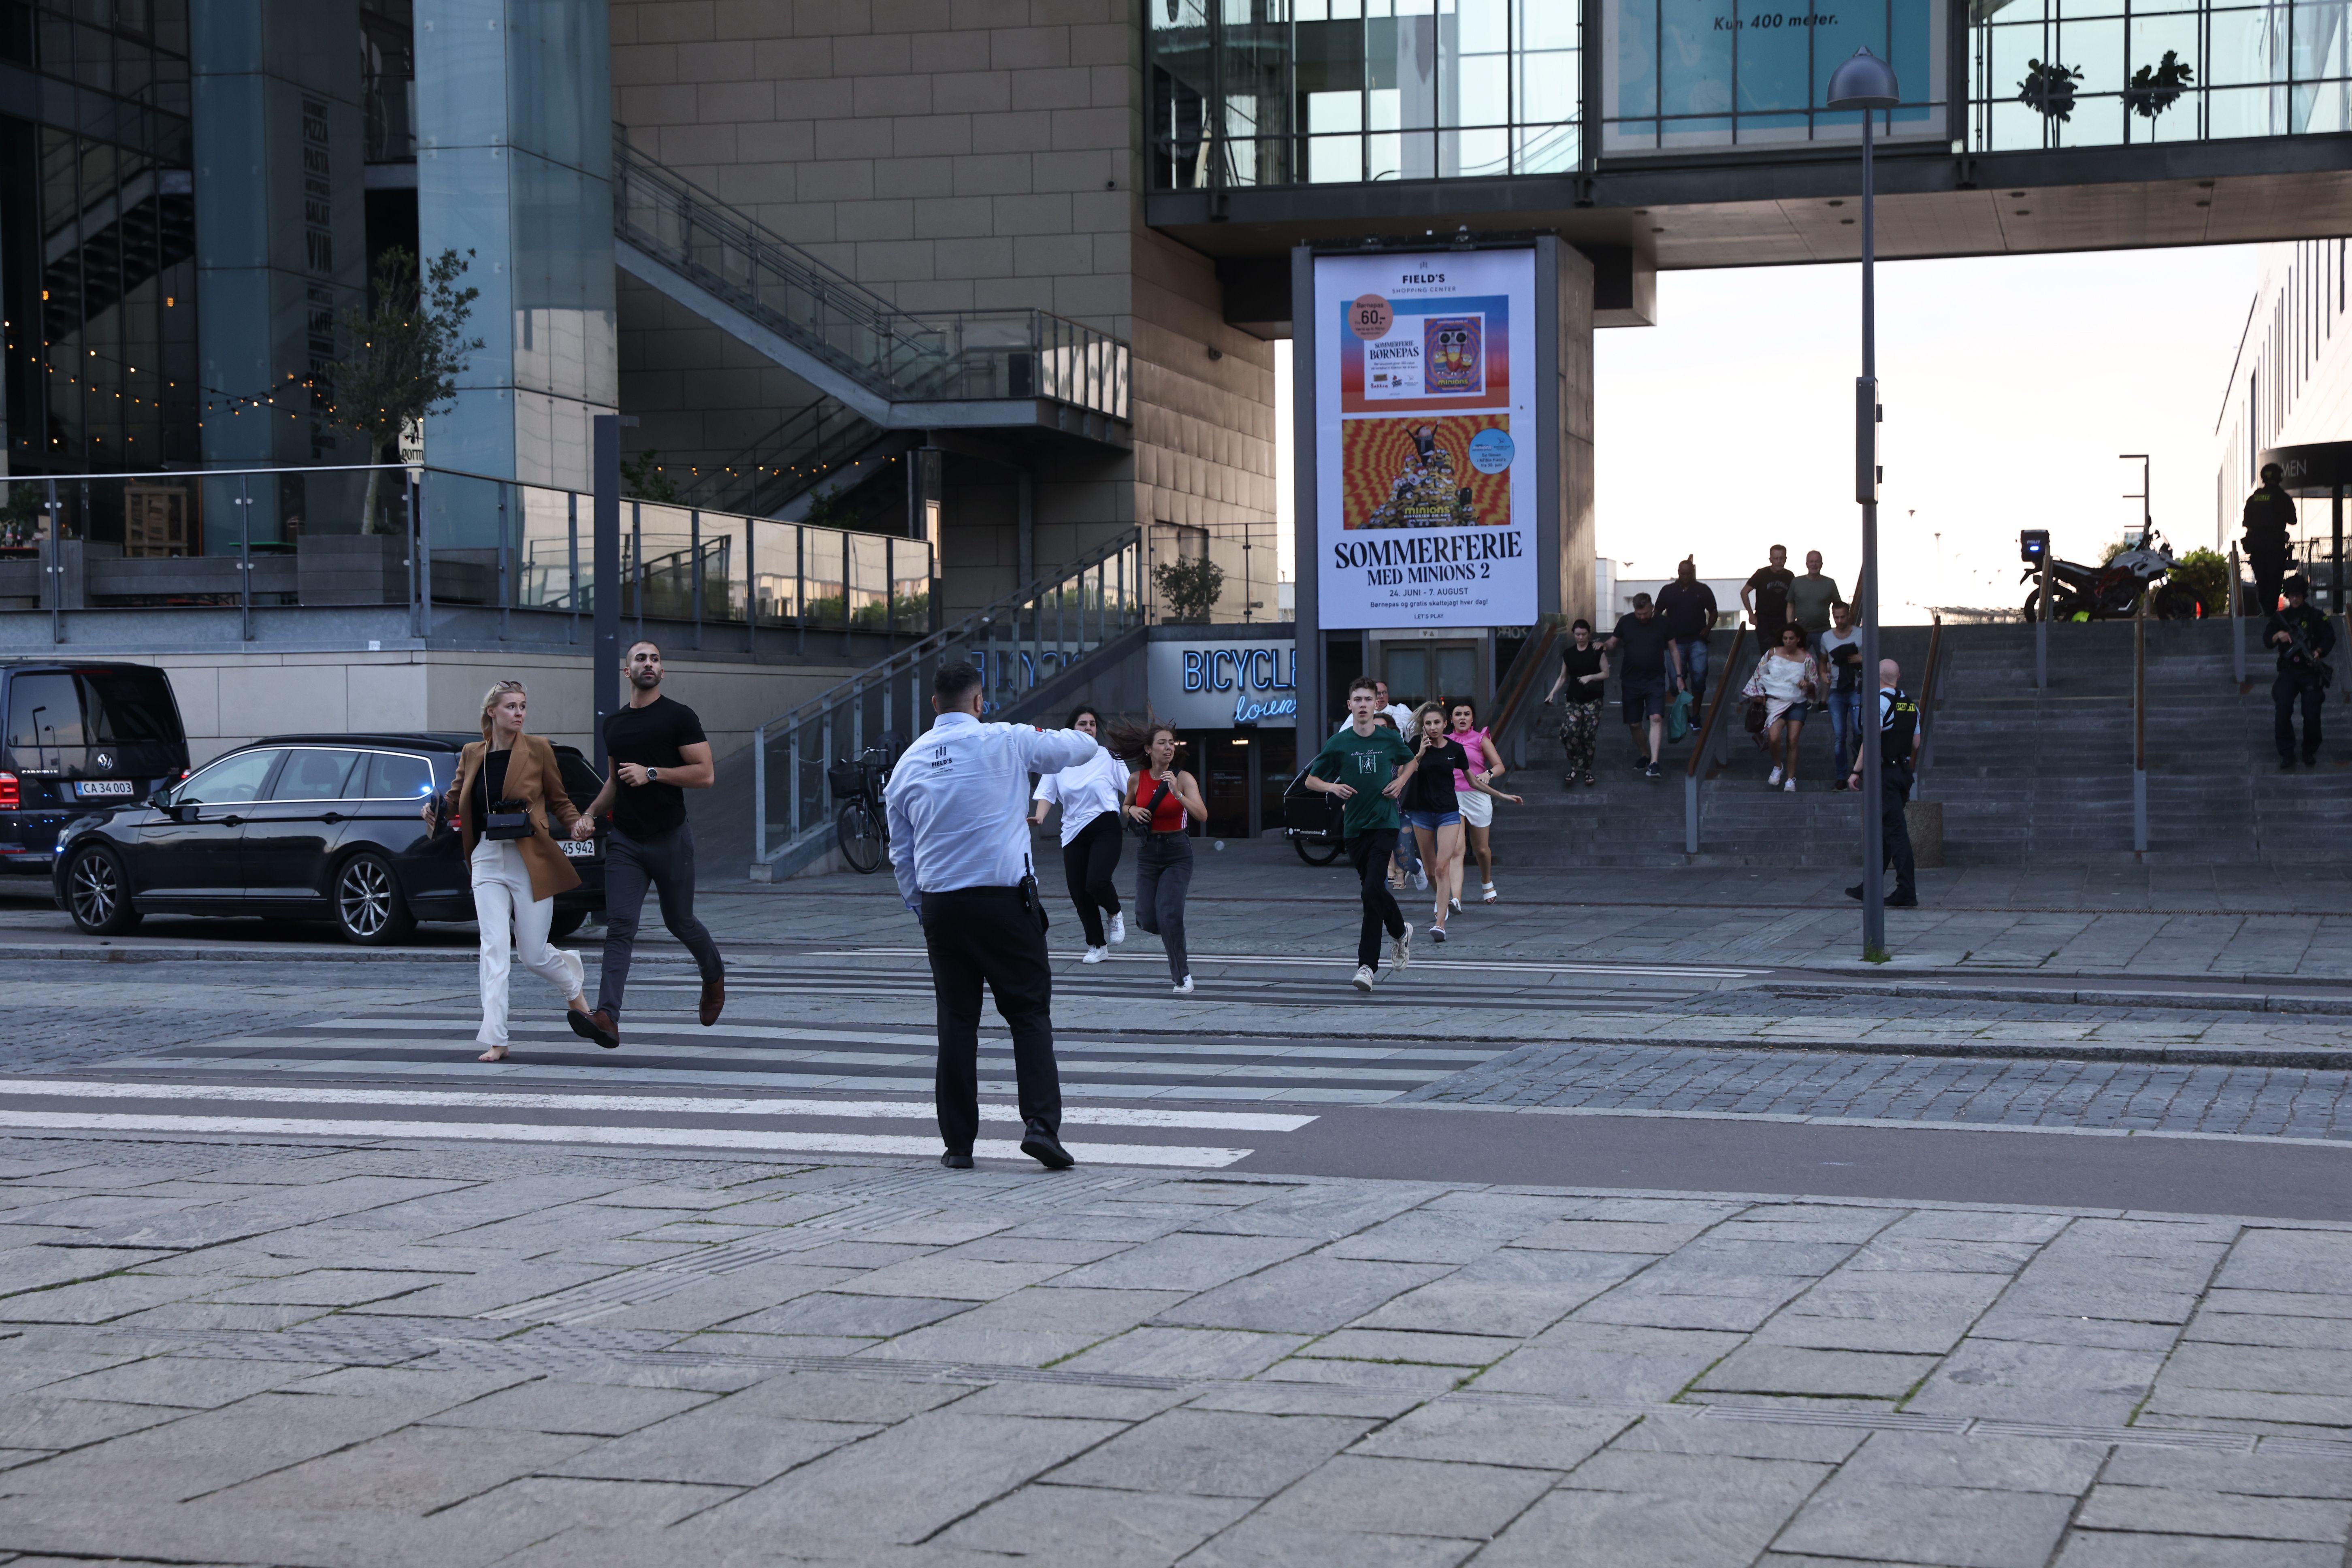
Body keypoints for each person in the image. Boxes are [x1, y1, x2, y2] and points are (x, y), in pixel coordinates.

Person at [885, 660, 1098, 1170]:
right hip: (1005, 902)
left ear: (935, 704)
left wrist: (921, 906)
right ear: (980, 702)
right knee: (1028, 1013)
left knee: (957, 1023)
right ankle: (1041, 1125)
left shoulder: (908, 763)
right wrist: (1062, 735)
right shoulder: (1007, 738)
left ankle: (958, 1144)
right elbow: (1080, 748)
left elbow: (901, 854)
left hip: (943, 906)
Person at [428, 681, 602, 1062]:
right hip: (487, 857)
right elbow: (455, 800)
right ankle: (498, 1039)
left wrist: (576, 824)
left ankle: (573, 987)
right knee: (493, 949)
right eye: (511, 707)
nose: (519, 713)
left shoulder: (539, 749)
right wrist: (435, 809)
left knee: (533, 955)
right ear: (492, 712)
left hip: (531, 857)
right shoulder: (472, 753)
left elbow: (559, 799)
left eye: (523, 706)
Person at [571, 640, 724, 1043]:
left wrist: (652, 772)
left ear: (662, 671)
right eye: (641, 659)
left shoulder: (679, 717)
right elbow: (614, 781)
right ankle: (607, 1016)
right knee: (620, 926)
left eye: (655, 659)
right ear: (628, 671)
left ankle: (713, 975)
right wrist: (589, 814)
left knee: (680, 922)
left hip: (670, 837)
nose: (649, 664)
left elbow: (705, 774)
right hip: (626, 840)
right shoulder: (614, 724)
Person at [1305, 675, 1421, 992]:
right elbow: (1311, 781)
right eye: (1357, 700)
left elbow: (1411, 762)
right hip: (1354, 828)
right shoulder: (1339, 743)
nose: (1363, 705)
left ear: (1376, 704)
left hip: (1385, 823)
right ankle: (1400, 932)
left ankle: (1367, 967)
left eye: (1368, 699)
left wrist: (1400, 782)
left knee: (1372, 889)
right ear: (1350, 705)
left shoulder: (1388, 738)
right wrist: (1332, 787)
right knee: (1372, 893)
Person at [1402, 703, 1520, 942]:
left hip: (1448, 812)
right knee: (1430, 871)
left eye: (1437, 723)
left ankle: (1440, 923)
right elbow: (1403, 774)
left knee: (1442, 867)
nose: (1433, 727)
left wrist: (1502, 795)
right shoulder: (1416, 745)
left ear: (1445, 724)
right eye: (1428, 723)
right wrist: (1419, 754)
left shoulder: (1455, 749)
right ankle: (1444, 900)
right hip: (1422, 813)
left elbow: (1473, 781)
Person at [1114, 720, 1208, 995]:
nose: (1169, 748)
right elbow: (1126, 805)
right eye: (1162, 743)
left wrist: (1177, 794)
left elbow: (1202, 815)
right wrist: (1131, 811)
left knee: (1169, 914)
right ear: (1149, 749)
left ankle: (1183, 977)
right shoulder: (1137, 778)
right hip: (1147, 852)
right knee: (1147, 918)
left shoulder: (1183, 778)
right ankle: (1170, 926)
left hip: (1177, 852)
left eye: (1171, 743)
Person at [1030, 705, 1129, 962]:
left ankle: (1114, 912)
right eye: (1083, 724)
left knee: (1096, 882)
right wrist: (1040, 817)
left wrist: (1137, 809)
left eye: (1092, 724)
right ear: (1071, 729)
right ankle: (1098, 945)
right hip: (1073, 832)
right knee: (1079, 892)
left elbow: (1130, 789)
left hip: (1105, 826)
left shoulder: (1109, 756)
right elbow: (1047, 794)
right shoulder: (1058, 761)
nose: (1088, 728)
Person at [1847, 658, 1922, 908]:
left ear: (1876, 677)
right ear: (1898, 677)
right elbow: (1916, 743)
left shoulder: (1878, 703)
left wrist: (1856, 771)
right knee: (1886, 832)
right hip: (1902, 773)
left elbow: (1871, 740)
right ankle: (1870, 887)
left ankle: (1907, 891)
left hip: (1885, 774)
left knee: (1896, 833)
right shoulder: (1910, 704)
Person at [1604, 592, 1683, 780]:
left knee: (1656, 717)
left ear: (1652, 608)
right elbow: (1613, 642)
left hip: (1655, 679)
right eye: (1638, 614)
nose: (1642, 617)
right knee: (1634, 723)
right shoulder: (1625, 622)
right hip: (1631, 680)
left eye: (1645, 614)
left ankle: (1654, 763)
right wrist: (1603, 646)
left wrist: (1679, 676)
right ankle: (1645, 754)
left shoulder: (1664, 623)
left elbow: (1674, 650)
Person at [2266, 573, 2335, 769]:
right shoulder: (2281, 618)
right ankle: (2287, 753)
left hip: (2310, 671)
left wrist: (2319, 651)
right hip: (2289, 671)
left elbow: (2329, 637)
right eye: (2292, 595)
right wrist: (2278, 636)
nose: (2295, 598)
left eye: (2298, 595)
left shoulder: (2316, 616)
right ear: (2287, 596)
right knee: (2283, 711)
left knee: (2312, 714)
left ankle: (2309, 751)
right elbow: (2267, 639)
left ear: (2304, 595)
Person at [1445, 699, 1510, 905]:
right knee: (1457, 850)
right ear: (1451, 719)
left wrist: (1488, 774)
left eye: (1467, 714)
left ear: (1473, 718)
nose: (1462, 718)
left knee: (1481, 850)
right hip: (1452, 797)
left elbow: (1500, 766)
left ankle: (1486, 879)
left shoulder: (1481, 738)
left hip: (1477, 795)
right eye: (1458, 714)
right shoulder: (1444, 740)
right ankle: (1456, 898)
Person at [1745, 623, 1818, 792]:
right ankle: (1778, 766)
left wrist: (1807, 684)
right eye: (1785, 638)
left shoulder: (1807, 658)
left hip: (1797, 703)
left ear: (1798, 639)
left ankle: (1791, 779)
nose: (1788, 641)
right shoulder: (1772, 653)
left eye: (1791, 638)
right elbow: (1759, 674)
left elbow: (1814, 680)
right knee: (1773, 738)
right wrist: (1759, 694)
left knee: (1793, 740)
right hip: (1775, 702)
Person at [1542, 618, 1607, 787]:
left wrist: (1590, 677)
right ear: (1574, 634)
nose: (1581, 638)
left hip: (1593, 699)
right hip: (1574, 699)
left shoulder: (1597, 651)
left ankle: (1587, 769)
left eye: (1584, 634)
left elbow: (1606, 673)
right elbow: (1563, 677)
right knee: (1570, 733)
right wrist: (1552, 692)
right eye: (1578, 634)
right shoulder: (1569, 654)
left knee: (1588, 736)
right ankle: (1575, 765)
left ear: (1589, 634)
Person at [1654, 559, 1719, 713]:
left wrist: (1708, 628)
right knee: (1675, 680)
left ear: (1693, 573)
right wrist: (1662, 632)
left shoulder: (1703, 589)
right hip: (1674, 642)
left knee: (1700, 675)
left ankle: (1696, 715)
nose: (1685, 577)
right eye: (1683, 574)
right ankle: (1683, 715)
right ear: (1678, 573)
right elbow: (1657, 612)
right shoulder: (1668, 590)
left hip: (1697, 640)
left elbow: (1714, 611)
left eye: (1688, 574)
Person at [1816, 601, 1866, 788]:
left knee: (1858, 730)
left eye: (1843, 617)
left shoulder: (1861, 634)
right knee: (1839, 735)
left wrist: (1862, 658)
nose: (1839, 620)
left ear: (1849, 615)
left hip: (1856, 686)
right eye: (1836, 617)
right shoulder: (1827, 637)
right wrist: (1823, 674)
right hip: (1836, 689)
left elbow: (1876, 657)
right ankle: (1841, 776)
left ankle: (1858, 771)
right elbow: (1823, 660)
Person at [2243, 463, 2299, 613]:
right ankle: (2270, 614)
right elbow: (2293, 520)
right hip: (2275, 548)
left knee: (2262, 582)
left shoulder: (2254, 498)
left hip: (2256, 548)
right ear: (2280, 477)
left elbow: (2247, 523)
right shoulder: (2283, 498)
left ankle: (2264, 612)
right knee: (2274, 583)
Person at [1742, 545, 1796, 654]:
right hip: (1764, 621)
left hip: (1783, 620)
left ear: (1786, 559)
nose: (1779, 561)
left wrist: (1793, 620)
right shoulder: (1762, 574)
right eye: (1776, 558)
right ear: (1771, 560)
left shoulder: (1790, 576)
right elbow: (1744, 592)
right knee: (1768, 654)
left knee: (1785, 654)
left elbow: (1795, 599)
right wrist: (1751, 615)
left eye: (1782, 558)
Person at [1789, 550, 1839, 649]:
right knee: (1797, 658)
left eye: (1817, 562)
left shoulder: (1830, 583)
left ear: (1822, 564)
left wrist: (1840, 627)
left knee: (1824, 658)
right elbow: (1790, 605)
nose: (1814, 564)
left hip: (1824, 632)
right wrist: (1791, 628)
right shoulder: (1796, 582)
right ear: (1807, 564)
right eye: (1811, 562)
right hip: (1800, 632)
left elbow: (1838, 607)